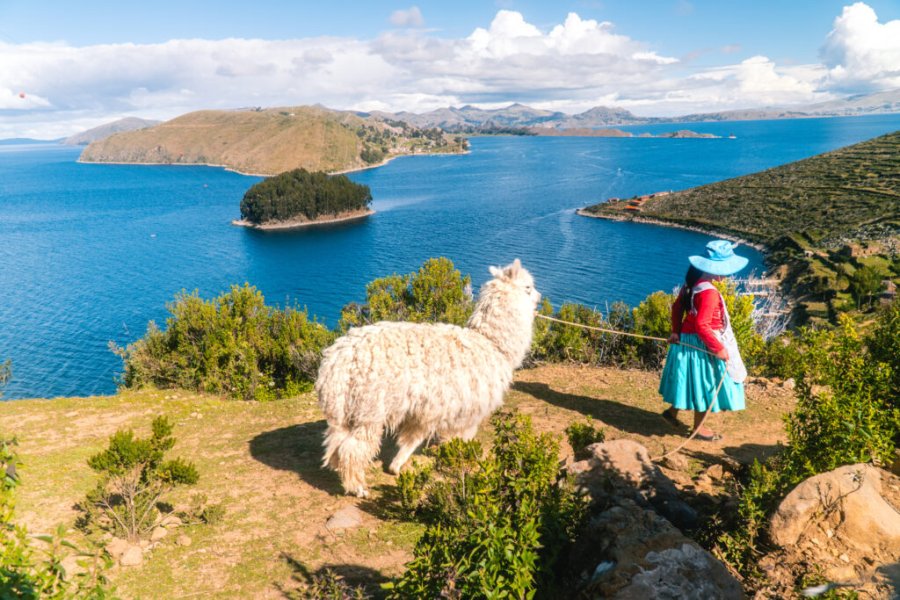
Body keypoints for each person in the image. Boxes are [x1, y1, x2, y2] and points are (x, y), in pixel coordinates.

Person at [659, 240, 749, 441]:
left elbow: (677, 308)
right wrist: (718, 348)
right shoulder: (709, 292)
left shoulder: (692, 285)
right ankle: (699, 429)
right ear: (717, 269)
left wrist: (676, 331)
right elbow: (702, 324)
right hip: (702, 345)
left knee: (689, 382)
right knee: (705, 384)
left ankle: (671, 413)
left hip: (687, 342)